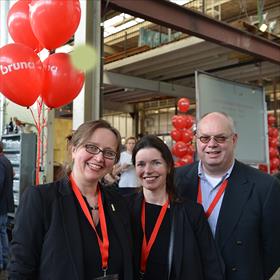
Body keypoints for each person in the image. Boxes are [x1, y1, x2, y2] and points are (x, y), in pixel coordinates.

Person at [8, 120, 134, 280]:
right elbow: (21, 268)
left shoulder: (118, 202)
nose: (99, 158)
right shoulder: (41, 199)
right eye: (92, 147)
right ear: (73, 149)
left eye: (109, 152)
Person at [175, 112, 280, 280]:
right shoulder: (175, 180)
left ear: (234, 139)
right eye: (204, 138)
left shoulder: (265, 187)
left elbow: (273, 250)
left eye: (220, 138)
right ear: (196, 140)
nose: (212, 144)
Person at [130, 135, 224, 280]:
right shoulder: (124, 209)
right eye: (141, 164)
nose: (148, 170)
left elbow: (211, 263)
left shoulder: (192, 212)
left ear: (168, 166)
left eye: (156, 163)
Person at [0, 141, 14, 274]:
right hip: (5, 205)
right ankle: (4, 261)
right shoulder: (7, 161)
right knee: (3, 232)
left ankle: (2, 262)